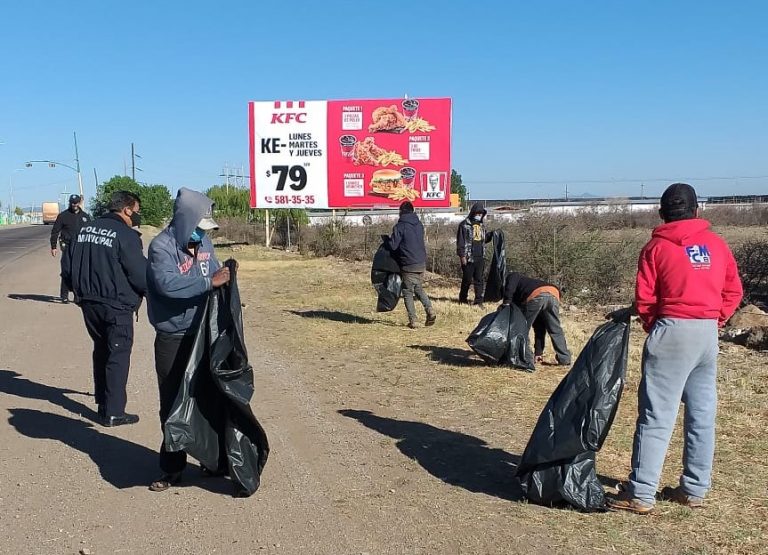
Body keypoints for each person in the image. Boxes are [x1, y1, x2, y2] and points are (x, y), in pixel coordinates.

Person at [607, 183, 743, 515]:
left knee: (656, 416)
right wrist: (716, 320)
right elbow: (733, 290)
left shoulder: (655, 248)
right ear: (697, 211)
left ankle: (640, 494)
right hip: (707, 334)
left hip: (672, 329)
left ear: (662, 214)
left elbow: (646, 299)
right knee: (702, 413)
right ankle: (694, 489)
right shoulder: (716, 244)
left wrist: (657, 328)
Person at [146, 187, 231, 492]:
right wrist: (209, 282)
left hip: (202, 333)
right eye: (197, 228)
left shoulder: (205, 243)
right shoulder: (161, 248)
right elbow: (168, 285)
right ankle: (171, 468)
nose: (201, 234)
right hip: (173, 337)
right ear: (185, 220)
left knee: (208, 398)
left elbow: (216, 273)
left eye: (204, 229)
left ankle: (213, 460)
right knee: (172, 402)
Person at [62, 191, 146, 426]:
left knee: (101, 350)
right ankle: (114, 412)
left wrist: (77, 291)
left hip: (88, 303)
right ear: (127, 210)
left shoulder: (83, 229)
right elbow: (139, 273)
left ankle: (103, 403)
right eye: (136, 211)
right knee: (118, 354)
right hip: (116, 305)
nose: (137, 216)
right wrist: (151, 293)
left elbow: (66, 266)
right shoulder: (126, 235)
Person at [503, 272, 571, 366]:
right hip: (554, 293)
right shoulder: (528, 284)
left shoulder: (513, 276)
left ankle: (525, 358)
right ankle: (564, 359)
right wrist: (538, 352)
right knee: (555, 329)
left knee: (522, 328)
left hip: (536, 294)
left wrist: (506, 302)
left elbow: (510, 286)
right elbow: (540, 328)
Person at [388, 201, 436, 329]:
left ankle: (413, 320)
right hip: (421, 262)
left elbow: (393, 246)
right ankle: (430, 309)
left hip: (408, 263)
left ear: (401, 211)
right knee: (418, 288)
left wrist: (388, 240)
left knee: (407, 291)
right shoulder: (419, 224)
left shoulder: (400, 226)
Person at [51, 194, 91, 302]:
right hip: (67, 246)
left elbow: (90, 232)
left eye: (76, 202)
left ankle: (78, 295)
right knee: (67, 270)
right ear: (70, 203)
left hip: (81, 247)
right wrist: (53, 246)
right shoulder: (63, 216)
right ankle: (64, 295)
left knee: (79, 272)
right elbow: (55, 231)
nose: (74, 204)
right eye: (72, 202)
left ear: (79, 203)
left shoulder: (85, 217)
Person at [457, 202, 492, 307]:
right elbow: (460, 242)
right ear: (473, 212)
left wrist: (491, 235)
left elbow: (483, 239)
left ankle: (478, 301)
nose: (479, 215)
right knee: (467, 279)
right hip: (468, 257)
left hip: (480, 256)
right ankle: (463, 299)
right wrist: (462, 256)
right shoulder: (464, 225)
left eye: (481, 213)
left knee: (479, 280)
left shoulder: (481, 226)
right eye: (478, 213)